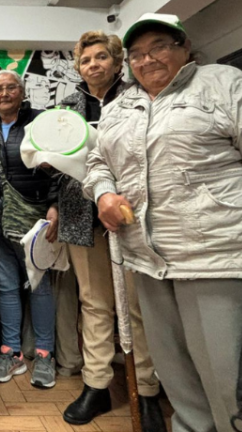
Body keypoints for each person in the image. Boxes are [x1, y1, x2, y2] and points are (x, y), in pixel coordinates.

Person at [84, 13, 242, 432]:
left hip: (219, 259)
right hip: (149, 263)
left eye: (159, 47)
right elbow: (98, 162)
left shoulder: (223, 83)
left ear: (184, 47)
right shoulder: (119, 107)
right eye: (137, 54)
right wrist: (103, 193)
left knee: (234, 389)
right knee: (179, 382)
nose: (147, 59)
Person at [52, 31, 164, 428]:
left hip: (131, 212)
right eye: (86, 60)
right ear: (78, 67)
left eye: (102, 58)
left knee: (138, 304)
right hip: (80, 215)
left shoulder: (140, 99)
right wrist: (53, 202)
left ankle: (146, 389)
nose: (93, 65)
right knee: (94, 301)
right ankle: (96, 385)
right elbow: (54, 157)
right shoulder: (64, 105)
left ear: (119, 63)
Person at [0, 70, 59, 388]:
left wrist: (55, 204)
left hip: (34, 223)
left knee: (40, 287)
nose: (4, 94)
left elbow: (60, 167)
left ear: (21, 91)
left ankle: (45, 355)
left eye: (10, 88)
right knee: (5, 288)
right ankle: (11, 352)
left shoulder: (40, 122)